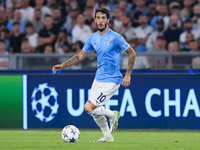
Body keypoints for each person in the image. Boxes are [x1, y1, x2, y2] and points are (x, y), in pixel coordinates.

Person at [52, 8, 136, 143]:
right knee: (94, 111)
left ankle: (112, 114)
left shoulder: (116, 37)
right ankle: (108, 136)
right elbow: (80, 57)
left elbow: (132, 53)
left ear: (108, 21)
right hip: (98, 79)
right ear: (95, 20)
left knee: (88, 107)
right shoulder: (92, 38)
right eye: (98, 18)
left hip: (112, 81)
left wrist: (128, 75)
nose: (101, 21)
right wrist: (62, 65)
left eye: (104, 18)